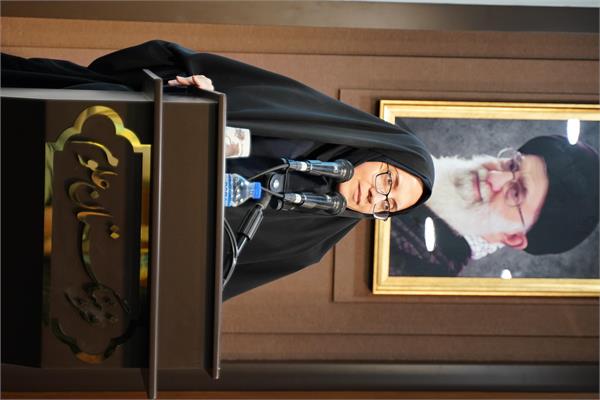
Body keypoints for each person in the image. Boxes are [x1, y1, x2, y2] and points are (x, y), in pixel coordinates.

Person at [1, 40, 435, 299]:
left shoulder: (306, 246)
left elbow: (201, 288)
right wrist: (200, 98)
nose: (375, 196)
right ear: (380, 151)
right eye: (388, 180)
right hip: (87, 144)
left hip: (83, 228)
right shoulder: (304, 120)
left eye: (387, 205)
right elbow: (204, 80)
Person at [389, 135, 599, 277]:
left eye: (516, 193)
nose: (493, 176)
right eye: (512, 165)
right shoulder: (410, 146)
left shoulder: (417, 269)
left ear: (513, 237)